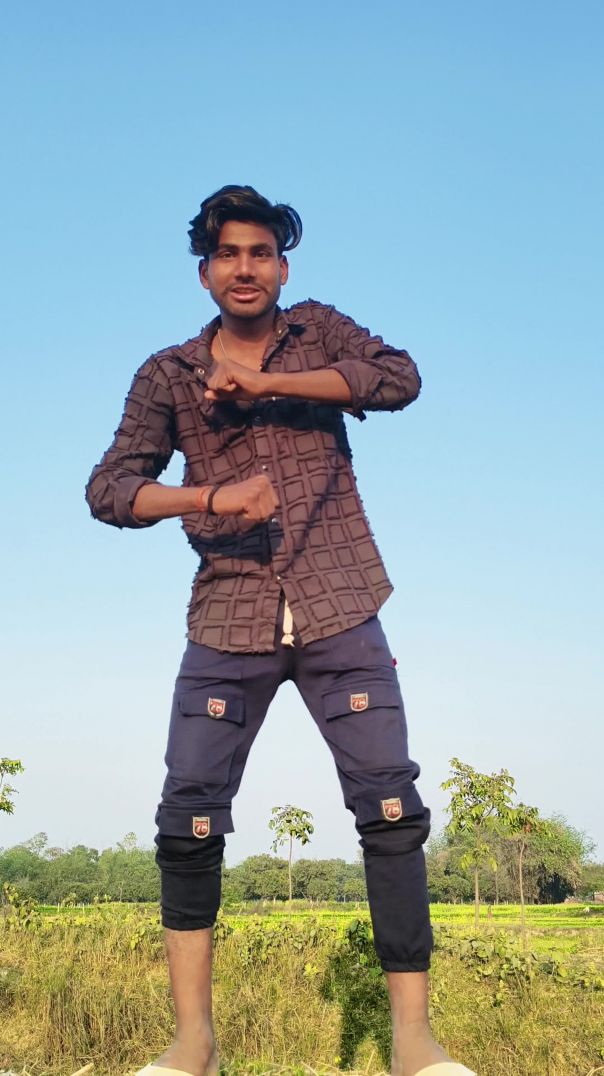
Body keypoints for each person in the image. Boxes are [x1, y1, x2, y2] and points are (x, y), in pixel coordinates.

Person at [86, 185, 474, 1076]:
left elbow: (398, 378)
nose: (245, 268)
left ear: (282, 268)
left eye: (260, 253)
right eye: (228, 253)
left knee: (390, 808)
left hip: (342, 601)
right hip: (228, 612)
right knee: (188, 816)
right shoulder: (167, 374)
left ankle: (413, 1042)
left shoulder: (319, 331)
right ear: (205, 272)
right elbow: (108, 489)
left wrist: (268, 383)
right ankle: (195, 1042)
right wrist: (210, 496)